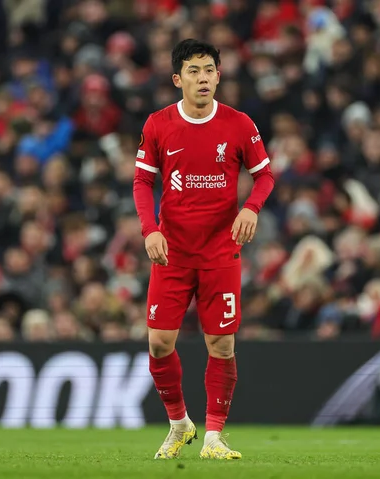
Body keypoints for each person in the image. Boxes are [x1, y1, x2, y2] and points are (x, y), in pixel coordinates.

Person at [133, 39, 275, 459]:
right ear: (178, 79)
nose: (203, 78)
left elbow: (265, 176)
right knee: (159, 343)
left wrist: (250, 207)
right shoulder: (159, 124)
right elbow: (142, 183)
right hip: (172, 251)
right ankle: (179, 424)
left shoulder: (239, 124)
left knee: (222, 346)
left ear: (219, 75)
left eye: (209, 69)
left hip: (220, 252)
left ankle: (213, 436)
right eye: (193, 71)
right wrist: (149, 230)